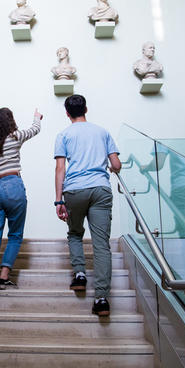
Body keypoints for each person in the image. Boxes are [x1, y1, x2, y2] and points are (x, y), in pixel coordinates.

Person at [54, 95, 121, 316]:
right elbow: (116, 164)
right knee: (101, 244)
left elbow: (60, 169)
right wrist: (109, 168)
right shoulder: (102, 132)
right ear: (86, 109)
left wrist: (58, 200)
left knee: (74, 233)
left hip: (74, 190)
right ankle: (101, 298)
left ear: (67, 113)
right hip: (101, 189)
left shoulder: (63, 134)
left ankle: (80, 275)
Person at [0, 107, 43, 312]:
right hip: (13, 185)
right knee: (14, 235)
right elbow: (34, 129)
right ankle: (4, 278)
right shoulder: (15, 137)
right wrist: (37, 117)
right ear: (9, 122)